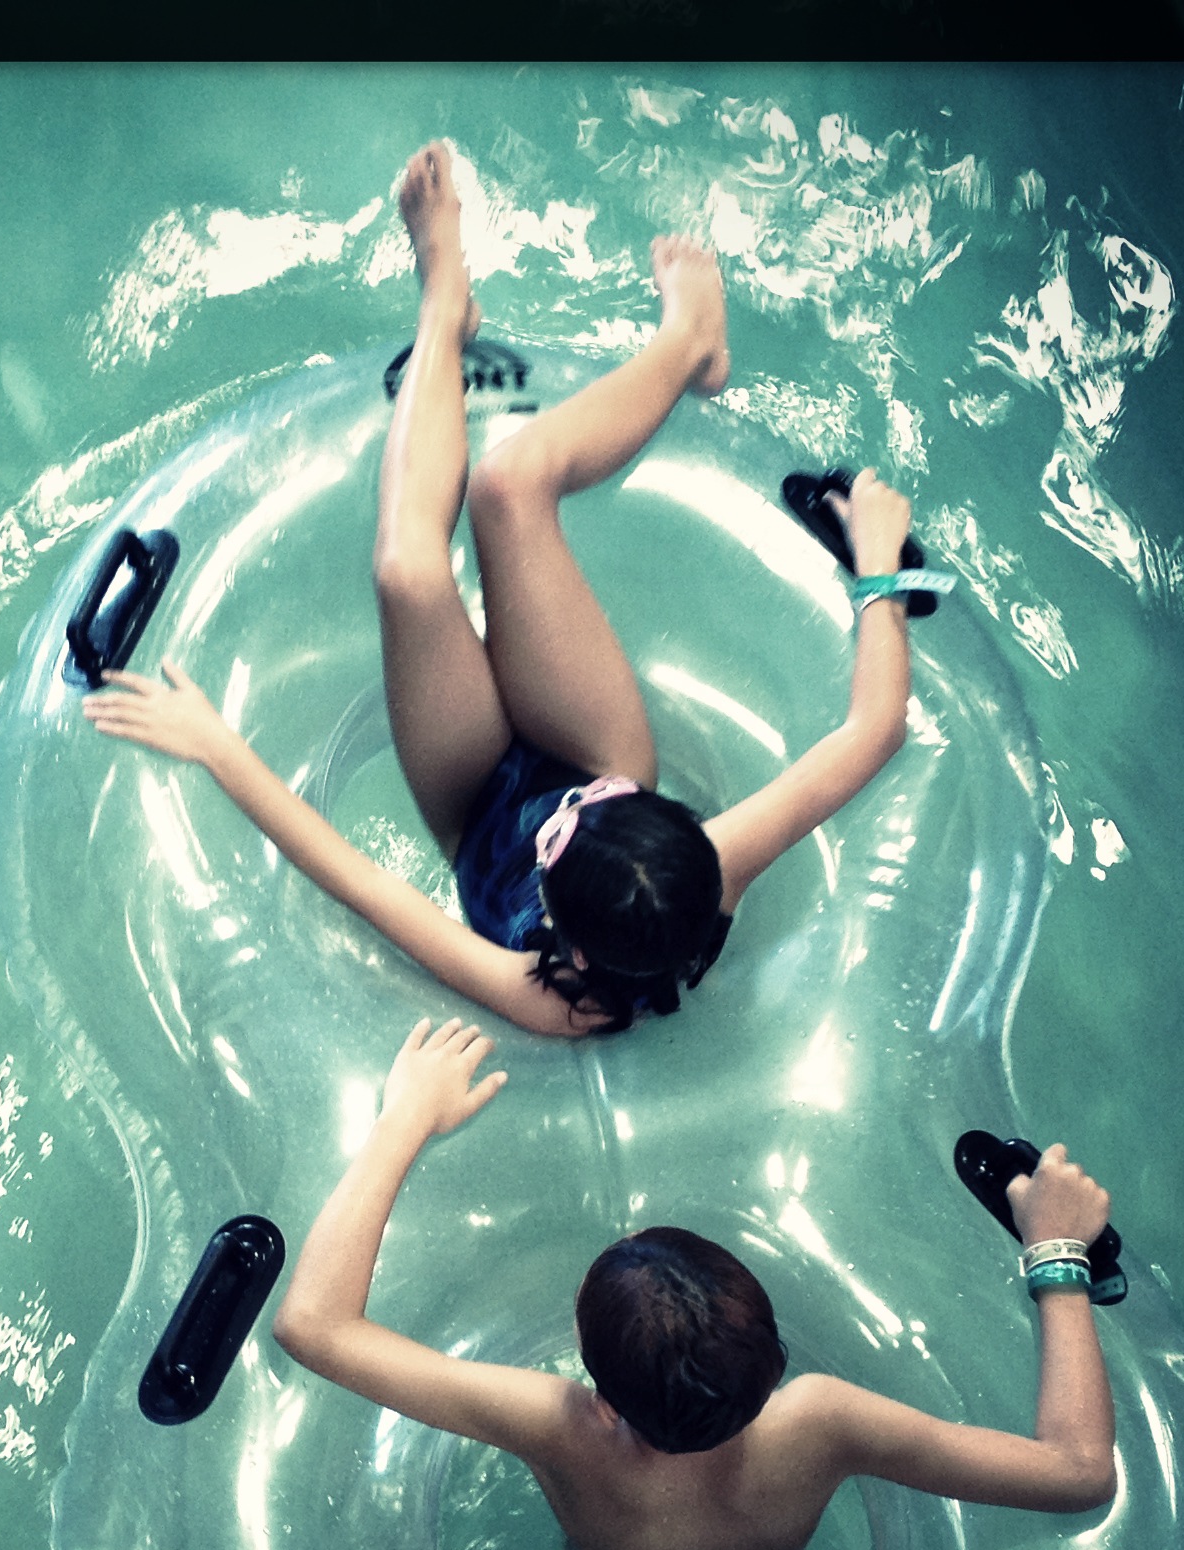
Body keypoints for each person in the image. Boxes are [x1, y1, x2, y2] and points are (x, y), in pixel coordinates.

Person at [81, 140, 920, 1036]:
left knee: (407, 572)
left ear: (574, 951)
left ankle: (441, 309)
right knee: (508, 486)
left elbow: (360, 881)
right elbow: (874, 730)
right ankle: (684, 346)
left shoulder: (545, 996)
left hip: (473, 806)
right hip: (596, 743)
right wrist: (881, 569)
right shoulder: (717, 862)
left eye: (561, 836)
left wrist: (216, 745)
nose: (569, 811)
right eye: (601, 812)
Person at [273, 1020, 1120, 1550]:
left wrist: (406, 1118)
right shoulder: (822, 1424)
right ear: (773, 1362)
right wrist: (1058, 1252)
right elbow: (1079, 1472)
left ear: (602, 1395)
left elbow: (313, 1324)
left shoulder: (559, 1427)